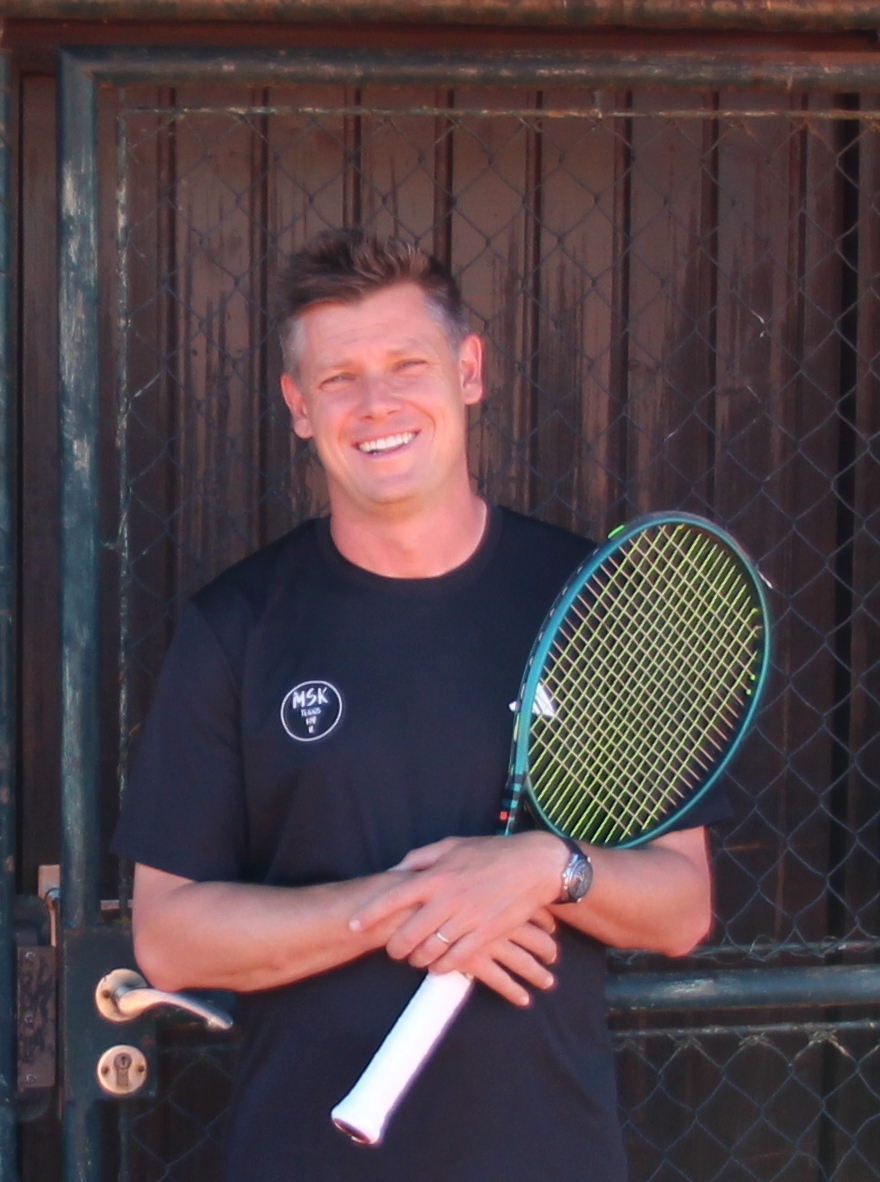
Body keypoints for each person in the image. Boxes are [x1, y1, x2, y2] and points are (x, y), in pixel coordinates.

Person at [113, 229, 724, 1182]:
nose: (377, 404)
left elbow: (682, 907)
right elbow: (169, 938)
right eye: (339, 378)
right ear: (298, 405)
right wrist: (403, 904)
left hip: (546, 1157)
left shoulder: (594, 605)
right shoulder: (235, 627)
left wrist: (550, 869)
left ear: (468, 370)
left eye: (407, 364)